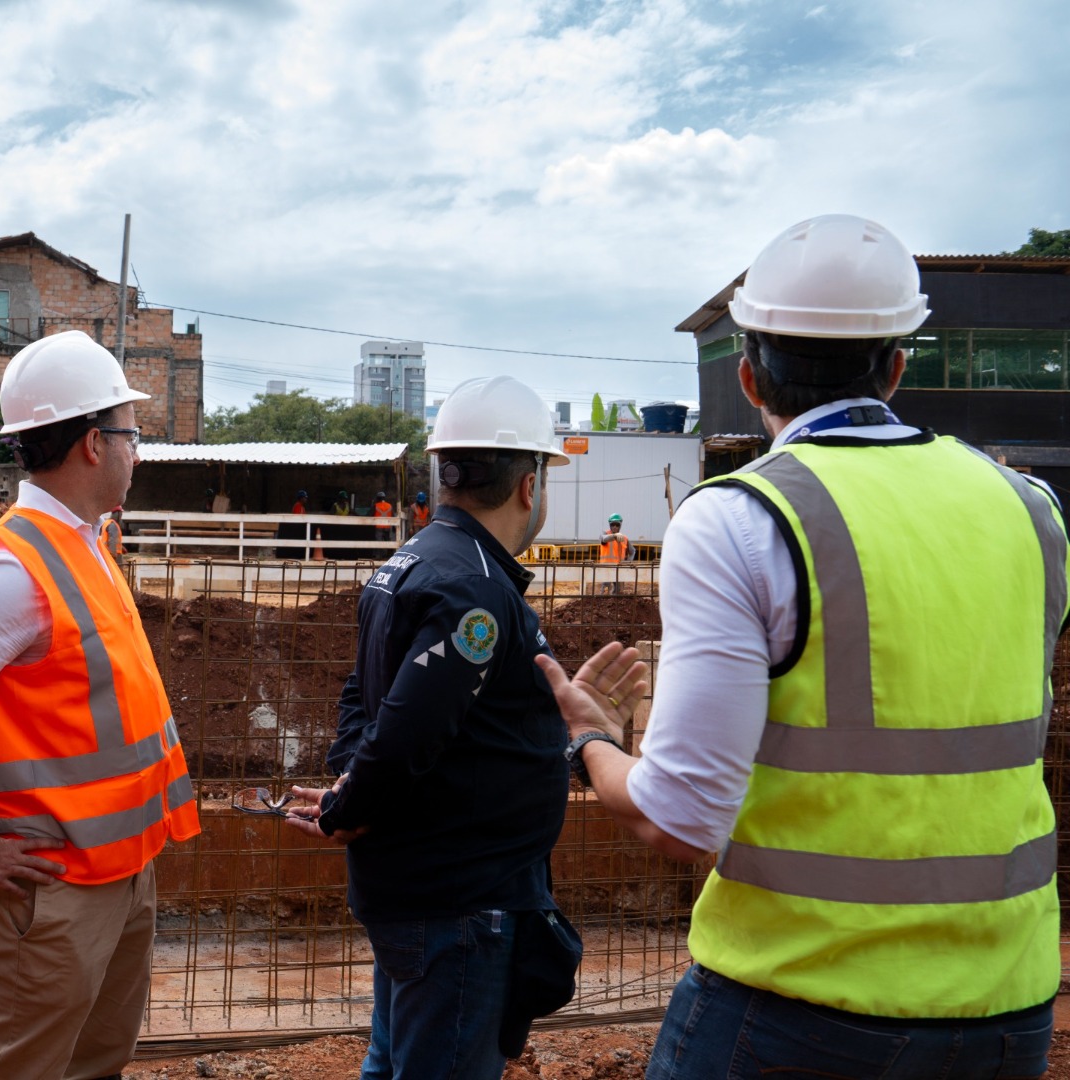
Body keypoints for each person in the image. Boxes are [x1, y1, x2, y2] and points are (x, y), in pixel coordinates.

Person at [538, 214, 1067, 1079]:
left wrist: (590, 739)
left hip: (801, 1009)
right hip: (1008, 1007)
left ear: (749, 376)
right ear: (897, 365)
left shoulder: (741, 518)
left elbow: (680, 817)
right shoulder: (1031, 509)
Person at [0, 330, 200, 1080]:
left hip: (121, 867)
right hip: (53, 886)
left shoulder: (90, 539)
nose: (138, 451)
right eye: (131, 432)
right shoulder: (9, 573)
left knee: (96, 1061)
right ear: (93, 443)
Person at [285, 375, 607, 1080]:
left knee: (394, 1059)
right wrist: (348, 805)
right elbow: (403, 729)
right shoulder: (475, 590)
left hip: (421, 890)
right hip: (457, 902)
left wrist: (350, 783)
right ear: (531, 485)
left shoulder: (409, 565)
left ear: (446, 472)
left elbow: (361, 694)